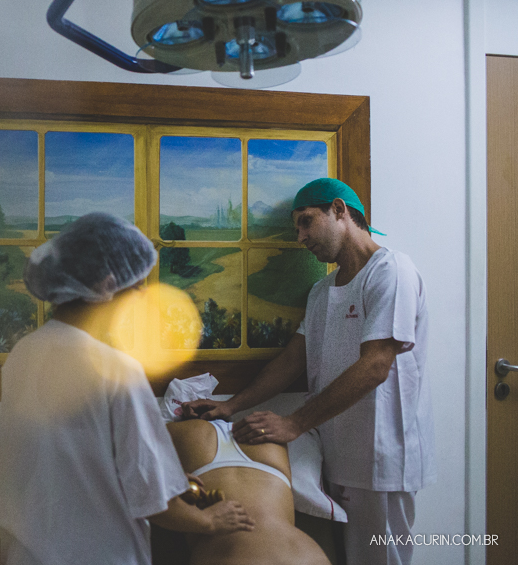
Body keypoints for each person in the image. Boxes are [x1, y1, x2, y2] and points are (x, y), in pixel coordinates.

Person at [182, 178, 435, 565]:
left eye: (306, 222)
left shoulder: (391, 271)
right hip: (338, 450)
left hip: (382, 453)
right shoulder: (322, 291)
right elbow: (291, 361)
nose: (300, 237)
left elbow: (375, 365)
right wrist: (231, 406)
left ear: (339, 210)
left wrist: (294, 423)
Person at [0, 212, 254, 565]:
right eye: (137, 284)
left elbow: (70, 454)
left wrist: (167, 474)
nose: (144, 294)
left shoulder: (23, 355)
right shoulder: (116, 369)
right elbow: (155, 503)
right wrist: (210, 520)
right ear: (105, 285)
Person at [158, 417, 331, 565]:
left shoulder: (178, 431)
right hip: (302, 553)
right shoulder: (270, 437)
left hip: (237, 552)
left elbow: (144, 494)